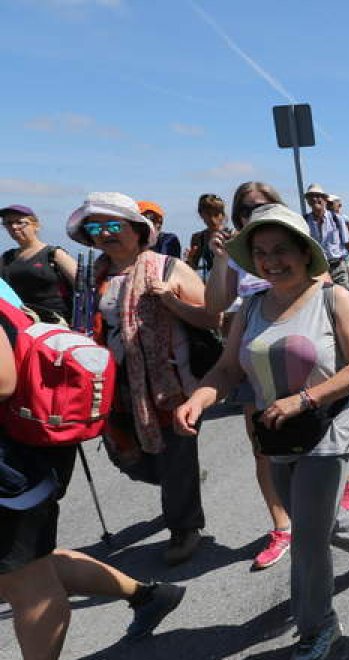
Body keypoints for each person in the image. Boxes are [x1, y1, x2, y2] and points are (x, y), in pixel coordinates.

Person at [175, 203, 349, 660]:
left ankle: (318, 625)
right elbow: (230, 368)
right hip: (274, 434)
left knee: (308, 538)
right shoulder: (252, 304)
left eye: (281, 250)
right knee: (316, 519)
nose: (272, 260)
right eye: (261, 252)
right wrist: (199, 399)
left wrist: (304, 400)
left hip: (326, 428)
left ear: (304, 251)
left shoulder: (332, 298)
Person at [0, 293, 187, 660]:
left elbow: (2, 379)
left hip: (12, 467)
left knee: (26, 580)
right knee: (29, 567)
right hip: (24, 450)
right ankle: (149, 597)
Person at [68, 191, 216, 566]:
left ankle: (184, 527)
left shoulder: (167, 268)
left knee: (175, 454)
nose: (105, 234)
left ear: (137, 229)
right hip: (113, 387)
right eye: (96, 227)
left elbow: (213, 318)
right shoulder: (92, 278)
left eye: (113, 225)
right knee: (129, 459)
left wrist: (172, 301)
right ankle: (177, 481)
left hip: (169, 383)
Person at [0, 204, 78, 325]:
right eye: (8, 223)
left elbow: (83, 285)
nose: (14, 227)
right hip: (20, 323)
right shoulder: (6, 258)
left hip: (54, 323)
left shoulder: (54, 254)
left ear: (35, 225)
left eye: (20, 222)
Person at [303, 184, 349, 289]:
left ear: (325, 200)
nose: (315, 199)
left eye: (318, 196)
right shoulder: (304, 221)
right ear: (308, 201)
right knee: (324, 302)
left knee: (342, 300)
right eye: (311, 196)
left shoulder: (337, 219)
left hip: (339, 267)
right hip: (318, 271)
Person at [186, 193, 228, 278]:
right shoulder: (198, 238)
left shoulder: (232, 236)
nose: (212, 219)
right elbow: (192, 269)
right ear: (201, 215)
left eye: (216, 214)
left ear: (222, 215)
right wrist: (190, 259)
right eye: (208, 214)